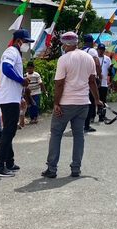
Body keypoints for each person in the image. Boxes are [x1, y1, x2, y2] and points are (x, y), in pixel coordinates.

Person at [42, 32, 103, 179]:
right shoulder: (89, 58)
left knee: (56, 134)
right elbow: (92, 81)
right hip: (83, 104)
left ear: (65, 44)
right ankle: (76, 168)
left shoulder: (64, 59)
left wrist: (56, 103)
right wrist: (96, 100)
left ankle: (52, 168)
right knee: (79, 135)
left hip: (66, 103)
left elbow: (59, 83)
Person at [0, 29, 33, 177]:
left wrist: (20, 97)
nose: (27, 45)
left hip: (11, 97)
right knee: (9, 131)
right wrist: (22, 80)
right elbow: (6, 69)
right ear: (19, 40)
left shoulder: (16, 53)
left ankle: (9, 161)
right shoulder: (11, 52)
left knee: (10, 130)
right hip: (8, 98)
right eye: (26, 42)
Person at [82, 34, 101, 133]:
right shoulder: (92, 51)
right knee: (89, 102)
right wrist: (99, 76)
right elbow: (97, 63)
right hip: (90, 79)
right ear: (91, 42)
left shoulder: (80, 51)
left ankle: (78, 124)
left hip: (81, 80)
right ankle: (86, 125)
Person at [96, 43, 111, 122]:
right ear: (97, 50)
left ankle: (102, 116)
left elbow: (109, 70)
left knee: (103, 100)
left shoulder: (107, 59)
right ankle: (92, 116)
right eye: (100, 49)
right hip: (96, 83)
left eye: (102, 49)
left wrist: (109, 80)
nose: (101, 51)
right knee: (95, 100)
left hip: (104, 83)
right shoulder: (95, 58)